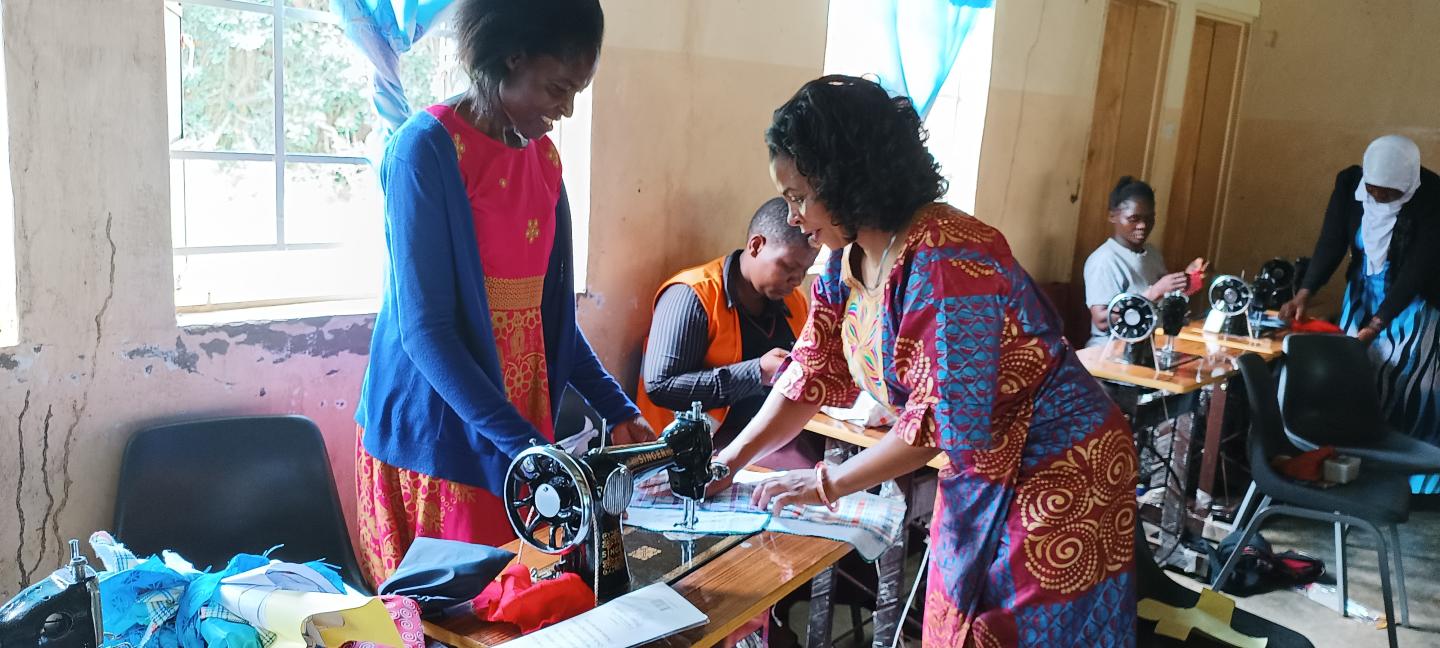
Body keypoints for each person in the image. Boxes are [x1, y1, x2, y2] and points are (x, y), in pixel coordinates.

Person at [710, 75, 1138, 646]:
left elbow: (941, 422)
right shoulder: (846, 262)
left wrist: (827, 482)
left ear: (845, 178)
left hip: (1057, 471)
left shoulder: (949, 257)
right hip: (981, 467)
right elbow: (807, 374)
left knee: (1012, 629)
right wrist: (729, 461)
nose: (793, 217)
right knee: (955, 620)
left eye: (798, 196)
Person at [354, 0, 654, 583]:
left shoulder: (543, 160)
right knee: (456, 618)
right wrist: (528, 449)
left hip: (516, 435)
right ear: (511, 56)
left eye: (576, 93)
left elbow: (553, 325)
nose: (564, 110)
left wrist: (618, 410)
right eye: (555, 88)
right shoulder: (426, 150)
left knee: (520, 606)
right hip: (442, 433)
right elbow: (426, 332)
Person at [1279, 134, 1440, 489]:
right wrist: (1305, 291)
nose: (1379, 197)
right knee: (1356, 376)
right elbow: (1331, 241)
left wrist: (1377, 324)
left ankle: (1408, 482)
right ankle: (1350, 469)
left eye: (1390, 192)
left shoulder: (1433, 197)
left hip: (1413, 303)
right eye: (1374, 189)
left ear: (1408, 183)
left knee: (1407, 382)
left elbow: (1417, 271)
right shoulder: (1349, 183)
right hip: (1363, 292)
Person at [635, 197, 821, 469]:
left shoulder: (796, 302)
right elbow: (660, 386)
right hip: (695, 447)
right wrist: (756, 373)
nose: (796, 281)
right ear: (756, 246)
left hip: (764, 438)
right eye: (788, 267)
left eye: (804, 271)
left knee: (816, 471)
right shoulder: (692, 295)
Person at [1083, 177, 1206, 347]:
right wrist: (1152, 293)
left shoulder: (1152, 254)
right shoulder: (1104, 260)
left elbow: (1163, 300)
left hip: (1147, 345)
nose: (1143, 225)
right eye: (1134, 219)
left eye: (1149, 219)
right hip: (1111, 350)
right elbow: (1102, 321)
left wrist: (1187, 280)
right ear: (1113, 216)